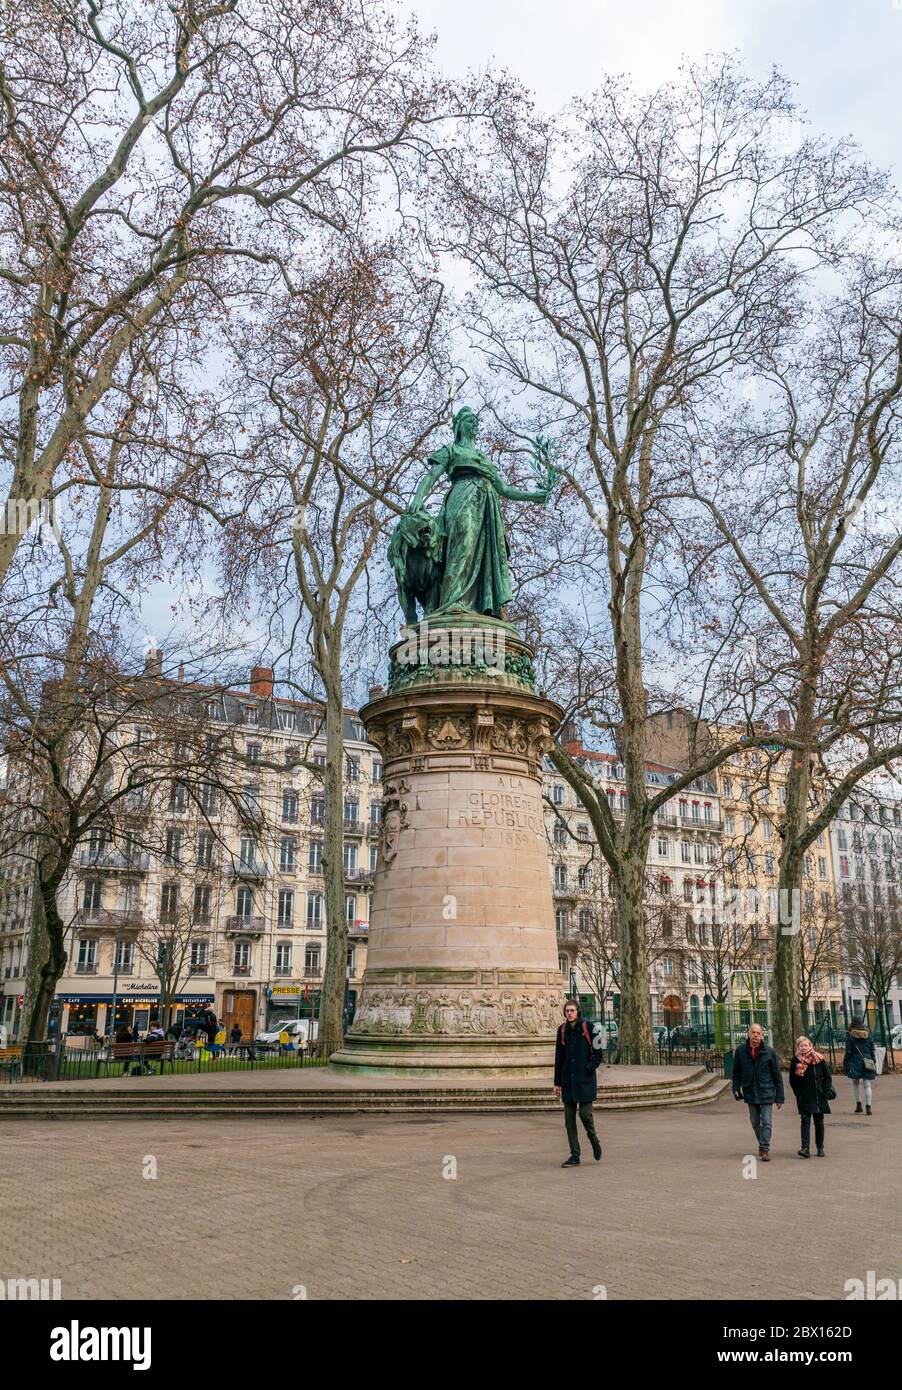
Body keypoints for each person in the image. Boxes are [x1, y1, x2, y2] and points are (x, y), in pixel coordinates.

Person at [553, 999, 604, 1167]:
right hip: (568, 1080)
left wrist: (589, 1067)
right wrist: (557, 1082)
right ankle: (575, 1155)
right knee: (569, 1120)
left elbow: (599, 1053)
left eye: (572, 1010)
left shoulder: (590, 1028)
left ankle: (594, 1139)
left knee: (585, 1114)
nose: (569, 1013)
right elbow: (558, 1059)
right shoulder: (562, 1030)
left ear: (578, 1011)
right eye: (567, 1011)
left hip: (585, 1080)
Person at [731, 1023, 784, 1161]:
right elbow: (736, 1072)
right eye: (753, 1032)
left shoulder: (769, 1052)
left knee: (766, 1122)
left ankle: (764, 1149)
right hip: (750, 1091)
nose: (755, 1035)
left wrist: (780, 1097)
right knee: (755, 1122)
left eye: (758, 1033)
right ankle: (762, 1142)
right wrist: (736, 1088)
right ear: (748, 1034)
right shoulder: (741, 1051)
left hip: (766, 1091)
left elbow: (777, 1075)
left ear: (762, 1035)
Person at [789, 1036, 834, 1157]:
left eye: (806, 1045)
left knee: (819, 1122)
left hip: (819, 1096)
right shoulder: (795, 1061)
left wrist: (826, 1091)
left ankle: (820, 1147)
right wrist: (798, 1093)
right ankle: (805, 1148)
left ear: (810, 1046)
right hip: (804, 1097)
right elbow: (792, 1080)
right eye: (801, 1046)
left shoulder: (819, 1059)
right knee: (805, 1121)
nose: (803, 1048)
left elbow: (827, 1077)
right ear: (798, 1047)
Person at [843, 1015, 877, 1115]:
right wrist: (873, 1060)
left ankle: (859, 1105)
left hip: (855, 1061)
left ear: (853, 1023)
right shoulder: (868, 1033)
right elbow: (872, 1048)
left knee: (856, 1083)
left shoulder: (850, 1035)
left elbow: (848, 1051)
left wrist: (845, 1062)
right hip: (867, 1061)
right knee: (867, 1085)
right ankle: (868, 1107)